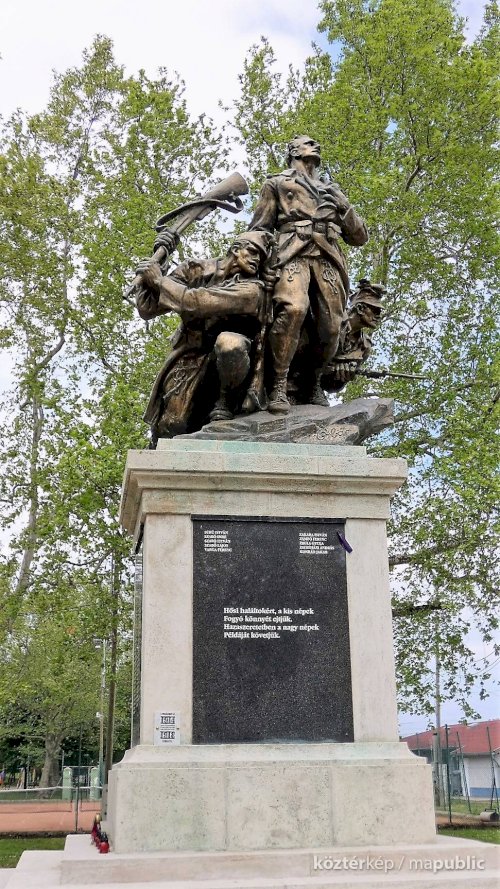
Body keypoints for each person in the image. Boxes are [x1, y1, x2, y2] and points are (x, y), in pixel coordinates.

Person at [248, 135, 368, 413]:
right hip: (291, 253)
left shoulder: (331, 190)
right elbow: (259, 229)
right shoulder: (277, 183)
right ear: (293, 151)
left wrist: (343, 205)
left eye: (316, 143)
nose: (316, 145)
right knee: (293, 309)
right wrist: (257, 265)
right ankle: (278, 385)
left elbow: (359, 237)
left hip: (328, 258)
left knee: (332, 326)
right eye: (308, 143)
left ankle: (312, 381)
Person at [135, 230, 273, 441]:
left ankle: (225, 403)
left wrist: (159, 281)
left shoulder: (253, 290)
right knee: (171, 425)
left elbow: (195, 302)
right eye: (253, 252)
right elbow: (148, 308)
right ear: (236, 249)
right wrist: (157, 266)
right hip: (191, 357)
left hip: (233, 366)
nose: (257, 260)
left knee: (230, 343)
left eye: (262, 257)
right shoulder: (195, 269)